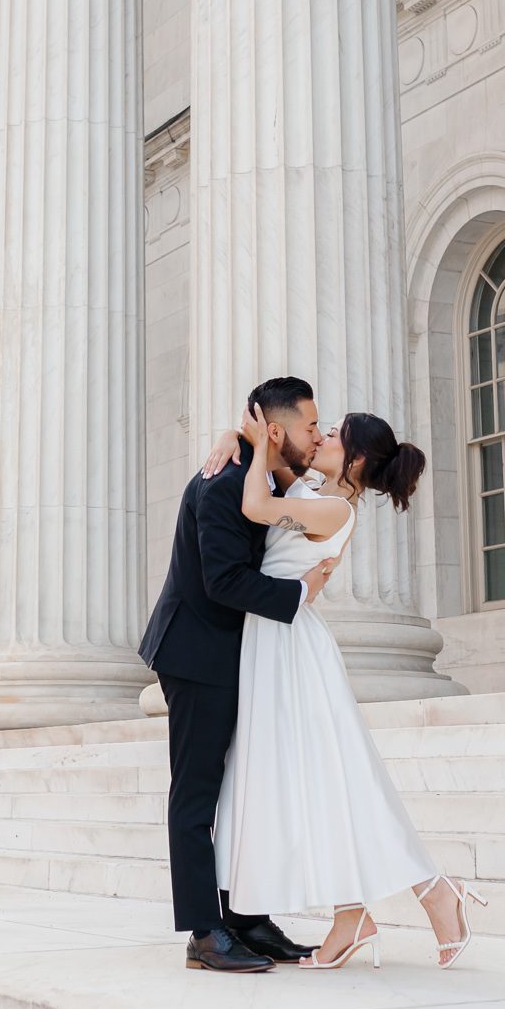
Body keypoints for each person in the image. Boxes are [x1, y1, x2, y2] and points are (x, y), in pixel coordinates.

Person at [203, 407, 489, 970]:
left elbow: (256, 505)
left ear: (354, 459)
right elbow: (280, 478)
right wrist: (232, 435)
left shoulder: (333, 509)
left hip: (291, 650)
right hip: (274, 640)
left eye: (334, 435)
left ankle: (429, 892)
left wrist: (258, 440)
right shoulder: (315, 491)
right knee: (316, 783)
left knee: (335, 778)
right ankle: (354, 913)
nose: (324, 435)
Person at [137, 377, 340, 973]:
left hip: (236, 657)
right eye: (309, 426)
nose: (316, 435)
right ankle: (205, 931)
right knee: (198, 794)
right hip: (196, 656)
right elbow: (223, 580)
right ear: (274, 430)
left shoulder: (263, 476)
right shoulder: (223, 482)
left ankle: (247, 916)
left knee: (241, 792)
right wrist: (299, 591)